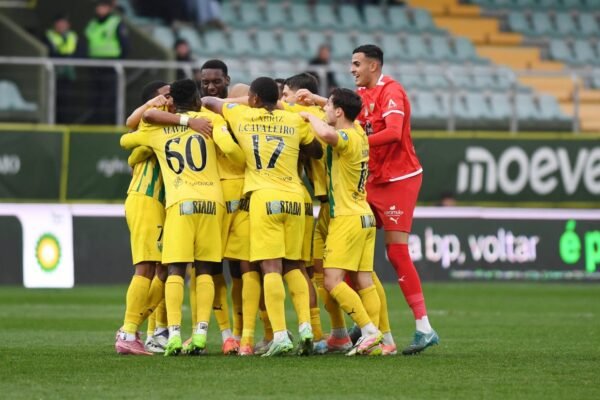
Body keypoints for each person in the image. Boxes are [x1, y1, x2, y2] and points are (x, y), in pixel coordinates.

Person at [297, 44, 439, 355]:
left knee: (395, 252)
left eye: (356, 64)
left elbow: (394, 132)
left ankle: (423, 326)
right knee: (358, 266)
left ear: (373, 66)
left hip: (399, 178)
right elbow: (346, 112)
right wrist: (318, 101)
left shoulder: (391, 91)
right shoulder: (362, 95)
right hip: (372, 180)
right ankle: (373, 330)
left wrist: (355, 142)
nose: (352, 69)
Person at [120, 79, 245, 356]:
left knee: (174, 270)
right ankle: (200, 332)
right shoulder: (210, 120)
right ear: (198, 99)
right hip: (213, 204)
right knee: (206, 270)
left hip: (180, 203)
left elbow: (126, 140)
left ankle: (173, 333)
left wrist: (145, 145)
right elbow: (231, 151)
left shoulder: (157, 129)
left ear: (173, 102)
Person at [203, 77, 323, 357]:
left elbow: (209, 101)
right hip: (296, 197)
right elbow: (316, 151)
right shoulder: (292, 119)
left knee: (270, 267)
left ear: (254, 99)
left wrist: (238, 103)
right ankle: (306, 327)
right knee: (294, 266)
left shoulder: (241, 115)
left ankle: (279, 334)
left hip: (264, 197)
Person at [299, 88, 383, 356]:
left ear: (339, 112)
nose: (324, 110)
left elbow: (327, 134)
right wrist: (317, 101)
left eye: (328, 106)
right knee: (364, 281)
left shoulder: (345, 137)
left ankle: (369, 331)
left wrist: (308, 116)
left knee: (332, 281)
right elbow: (340, 114)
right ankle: (373, 340)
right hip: (364, 216)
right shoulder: (359, 131)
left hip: (346, 218)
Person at [114, 81, 171, 356]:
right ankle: (128, 331)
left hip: (159, 203)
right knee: (146, 268)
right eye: (165, 96)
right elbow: (131, 130)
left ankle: (135, 329)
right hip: (146, 199)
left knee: (166, 270)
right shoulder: (151, 125)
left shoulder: (163, 125)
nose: (170, 99)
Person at [85, 0, 129, 124]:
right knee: (95, 98)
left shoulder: (116, 22)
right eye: (99, 6)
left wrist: (118, 62)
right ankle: (97, 124)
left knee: (109, 99)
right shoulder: (92, 24)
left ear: (109, 8)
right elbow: (87, 43)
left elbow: (125, 46)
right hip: (94, 66)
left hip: (111, 66)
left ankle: (109, 124)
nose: (100, 9)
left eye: (103, 6)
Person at [44, 13, 80, 124]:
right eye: (59, 23)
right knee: (54, 101)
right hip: (53, 76)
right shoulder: (49, 36)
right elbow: (50, 53)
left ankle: (67, 123)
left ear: (68, 25)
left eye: (63, 23)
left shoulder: (73, 36)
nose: (61, 26)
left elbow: (79, 53)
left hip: (69, 75)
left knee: (68, 102)